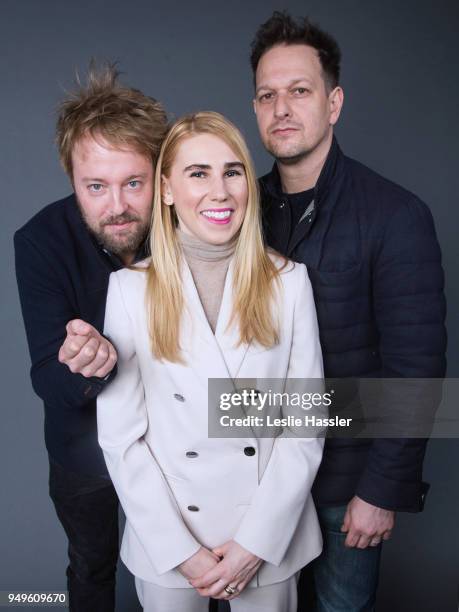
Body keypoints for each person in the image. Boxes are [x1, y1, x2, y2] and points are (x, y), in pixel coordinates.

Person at [250, 11, 447, 612]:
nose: (282, 108)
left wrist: (382, 490)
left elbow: (416, 369)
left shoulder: (396, 215)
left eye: (300, 91)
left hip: (346, 489)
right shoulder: (236, 212)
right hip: (255, 481)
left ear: (333, 103)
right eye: (267, 95)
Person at [97, 111, 325, 612]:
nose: (219, 191)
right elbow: (121, 439)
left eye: (233, 171)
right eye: (198, 173)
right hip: (170, 543)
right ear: (167, 190)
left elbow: (305, 425)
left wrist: (255, 544)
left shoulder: (290, 283)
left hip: (268, 538)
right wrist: (183, 552)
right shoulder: (130, 290)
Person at [14, 64, 168, 611]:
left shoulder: (191, 225)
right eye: (95, 186)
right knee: (90, 569)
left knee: (199, 577)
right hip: (85, 453)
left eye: (134, 182)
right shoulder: (39, 241)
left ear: (160, 174)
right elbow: (47, 380)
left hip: (179, 445)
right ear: (72, 180)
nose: (117, 206)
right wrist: (88, 364)